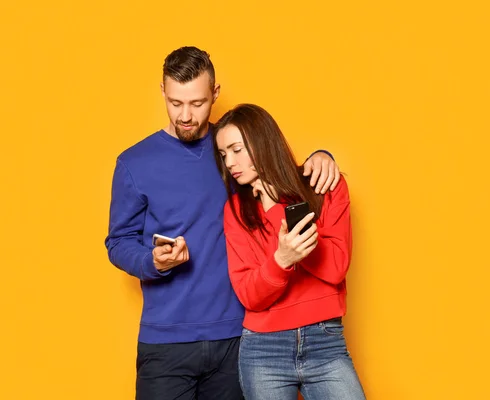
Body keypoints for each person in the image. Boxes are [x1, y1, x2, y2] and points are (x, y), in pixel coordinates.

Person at [104, 46, 341, 400]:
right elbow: (118, 241)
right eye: (175, 102)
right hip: (166, 343)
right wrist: (152, 262)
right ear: (163, 92)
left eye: (197, 104)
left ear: (215, 94)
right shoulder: (134, 162)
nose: (185, 115)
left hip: (237, 338)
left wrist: (322, 157)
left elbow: (280, 177)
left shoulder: (234, 153)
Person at [213, 103, 365, 400]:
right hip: (263, 348)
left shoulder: (325, 185)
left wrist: (274, 208)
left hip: (325, 341)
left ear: (262, 142)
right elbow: (250, 295)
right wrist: (281, 260)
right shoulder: (235, 210)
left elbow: (335, 268)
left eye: (236, 149)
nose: (230, 162)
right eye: (223, 154)